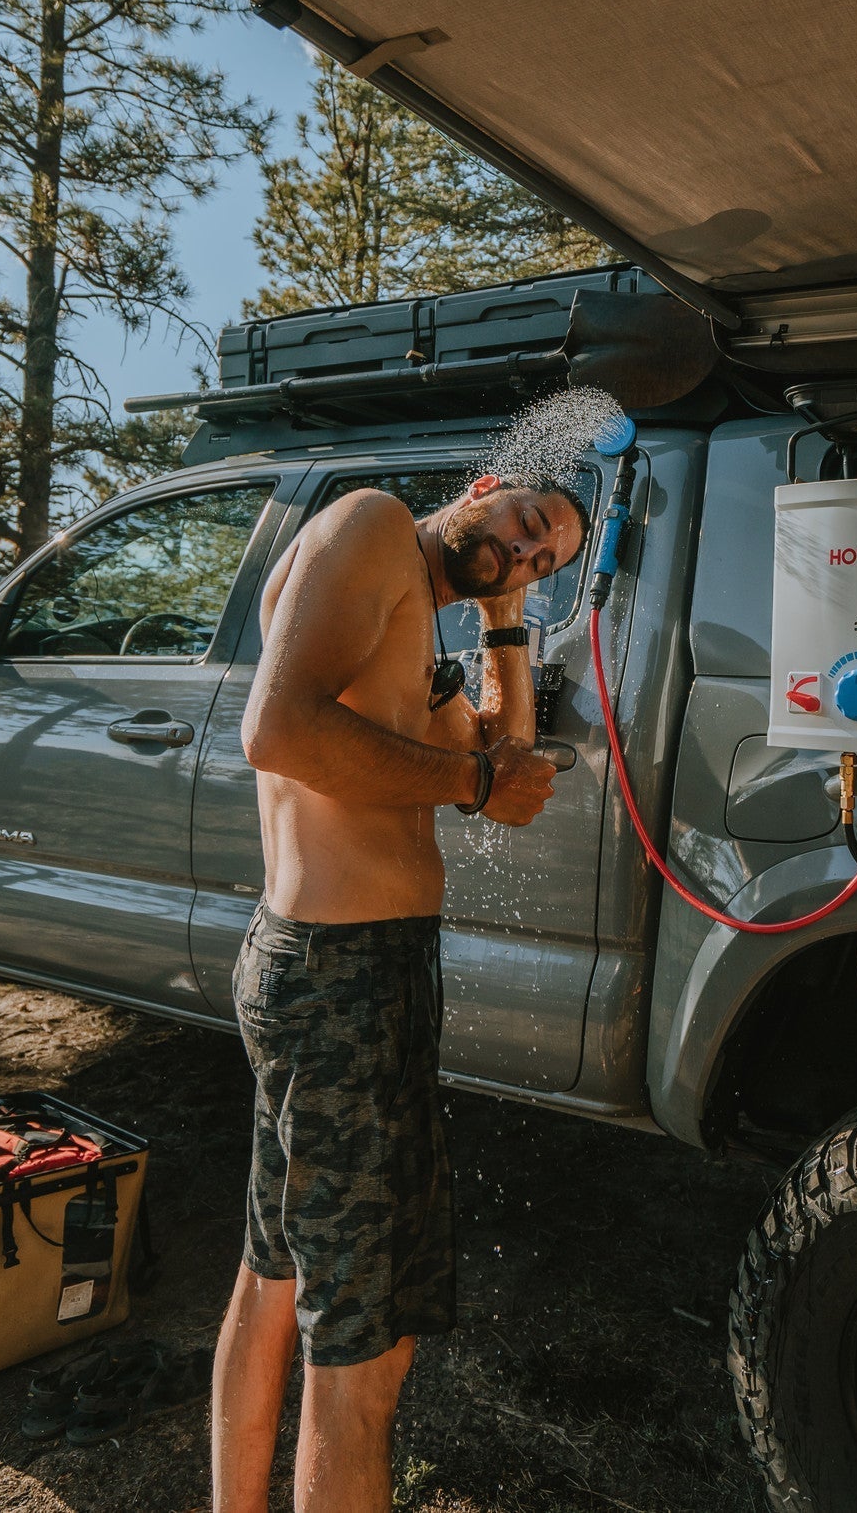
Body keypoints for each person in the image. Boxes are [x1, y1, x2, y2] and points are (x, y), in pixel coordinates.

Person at [211, 469, 589, 1513]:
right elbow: (276, 729)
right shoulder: (374, 525)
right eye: (524, 523)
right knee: (361, 1342)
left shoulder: (417, 609)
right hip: (340, 979)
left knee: (276, 1273)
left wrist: (506, 617)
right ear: (487, 484)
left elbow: (501, 765)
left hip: (333, 972)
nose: (521, 551)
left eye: (543, 558)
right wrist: (468, 782)